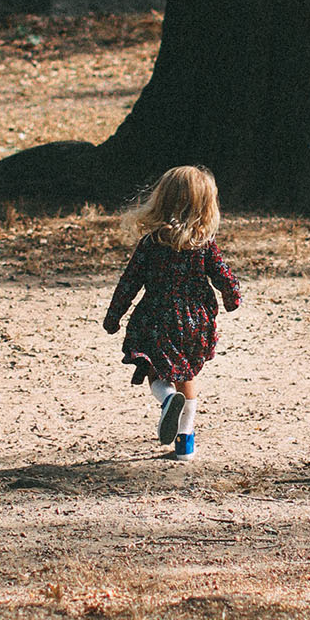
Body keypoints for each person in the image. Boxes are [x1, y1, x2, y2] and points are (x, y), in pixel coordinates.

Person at [103, 165, 241, 461]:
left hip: (157, 318)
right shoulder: (205, 246)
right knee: (187, 376)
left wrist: (114, 316)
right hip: (195, 322)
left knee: (157, 371)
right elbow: (225, 278)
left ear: (162, 200)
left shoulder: (151, 243)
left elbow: (130, 281)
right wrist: (232, 299)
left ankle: (167, 400)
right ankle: (185, 445)